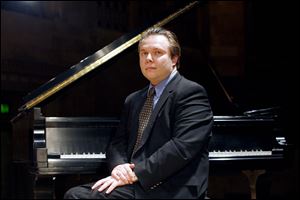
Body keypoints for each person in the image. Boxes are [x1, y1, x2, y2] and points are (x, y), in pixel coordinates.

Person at [64, 27, 213, 199]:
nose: (148, 58)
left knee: (77, 197)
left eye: (157, 52)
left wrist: (137, 174)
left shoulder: (191, 92)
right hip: (137, 185)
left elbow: (182, 147)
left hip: (172, 186)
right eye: (143, 53)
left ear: (174, 58)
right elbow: (118, 143)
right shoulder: (133, 99)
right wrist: (119, 167)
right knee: (76, 195)